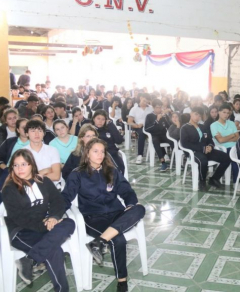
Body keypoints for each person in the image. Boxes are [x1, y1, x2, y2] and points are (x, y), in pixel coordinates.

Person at [62, 139, 145, 292]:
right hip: (93, 217)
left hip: (116, 213)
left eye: (102, 151)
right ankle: (122, 282)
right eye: (95, 151)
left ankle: (99, 242)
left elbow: (127, 191)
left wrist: (130, 204)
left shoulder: (111, 171)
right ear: (87, 153)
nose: (100, 155)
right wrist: (56, 214)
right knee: (118, 239)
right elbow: (66, 197)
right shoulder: (78, 174)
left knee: (139, 209)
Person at [2, 149, 75, 291]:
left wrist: (53, 217)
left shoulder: (43, 181)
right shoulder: (9, 189)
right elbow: (18, 217)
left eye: (24, 164)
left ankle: (30, 259)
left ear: (32, 165)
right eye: (15, 165)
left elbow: (58, 202)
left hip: (42, 226)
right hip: (21, 231)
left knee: (70, 223)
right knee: (55, 251)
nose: (19, 168)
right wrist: (46, 226)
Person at [180, 107, 231, 191]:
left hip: (206, 150)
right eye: (196, 114)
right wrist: (203, 148)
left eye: (199, 116)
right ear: (191, 114)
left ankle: (214, 179)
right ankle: (202, 182)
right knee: (203, 161)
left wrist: (210, 146)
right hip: (194, 152)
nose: (197, 117)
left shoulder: (202, 127)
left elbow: (210, 139)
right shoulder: (185, 128)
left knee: (226, 158)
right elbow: (185, 144)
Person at [23, 120, 61, 185]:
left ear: (44, 133)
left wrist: (34, 176)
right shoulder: (23, 152)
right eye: (33, 131)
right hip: (31, 186)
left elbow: (56, 176)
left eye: (40, 131)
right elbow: (24, 177)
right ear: (27, 134)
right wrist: (46, 171)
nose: (37, 134)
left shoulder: (52, 150)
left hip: (52, 186)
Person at [211, 104, 239, 183]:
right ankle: (236, 181)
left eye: (228, 113)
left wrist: (225, 138)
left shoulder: (231, 123)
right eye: (224, 112)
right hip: (223, 148)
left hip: (234, 146)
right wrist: (232, 135)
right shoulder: (213, 125)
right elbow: (220, 141)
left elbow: (238, 137)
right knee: (234, 157)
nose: (226, 115)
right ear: (219, 112)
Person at [91, 110, 125, 174]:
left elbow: (119, 140)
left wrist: (111, 125)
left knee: (118, 168)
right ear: (93, 119)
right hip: (98, 155)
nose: (100, 121)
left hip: (112, 153)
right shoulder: (91, 130)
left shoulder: (109, 128)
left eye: (103, 119)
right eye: (98, 118)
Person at [144, 99, 173, 171]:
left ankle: (176, 160)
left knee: (172, 140)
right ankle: (163, 163)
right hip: (154, 135)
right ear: (153, 108)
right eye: (157, 107)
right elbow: (147, 128)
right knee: (155, 141)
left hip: (163, 134)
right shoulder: (149, 116)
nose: (159, 109)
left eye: (160, 107)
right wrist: (157, 120)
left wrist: (165, 117)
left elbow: (169, 126)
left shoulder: (163, 116)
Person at [127, 94, 153, 164]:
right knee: (141, 134)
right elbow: (129, 122)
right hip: (139, 127)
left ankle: (164, 154)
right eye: (144, 101)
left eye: (147, 102)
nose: (145, 103)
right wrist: (137, 126)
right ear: (141, 98)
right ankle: (140, 155)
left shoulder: (151, 108)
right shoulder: (134, 109)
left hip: (150, 126)